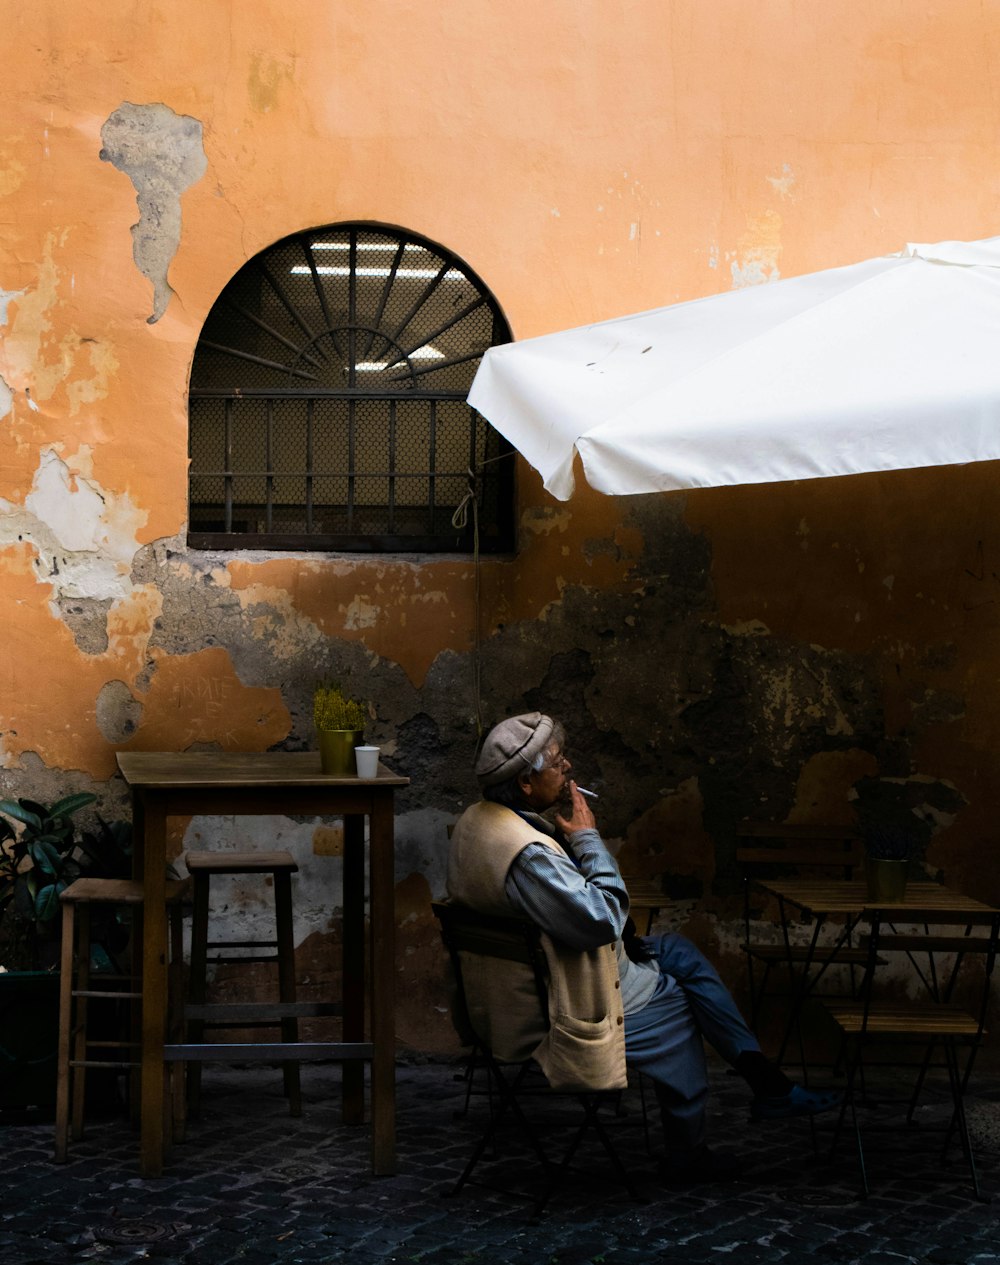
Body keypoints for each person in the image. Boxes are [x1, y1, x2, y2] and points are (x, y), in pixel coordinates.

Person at [446, 712, 841, 1184]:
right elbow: (602, 919)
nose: (568, 766)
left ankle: (765, 1080)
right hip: (561, 1001)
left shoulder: (481, 822)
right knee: (680, 1001)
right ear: (526, 783)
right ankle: (688, 1153)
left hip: (532, 979)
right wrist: (588, 838)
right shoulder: (526, 854)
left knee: (674, 949)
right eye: (556, 761)